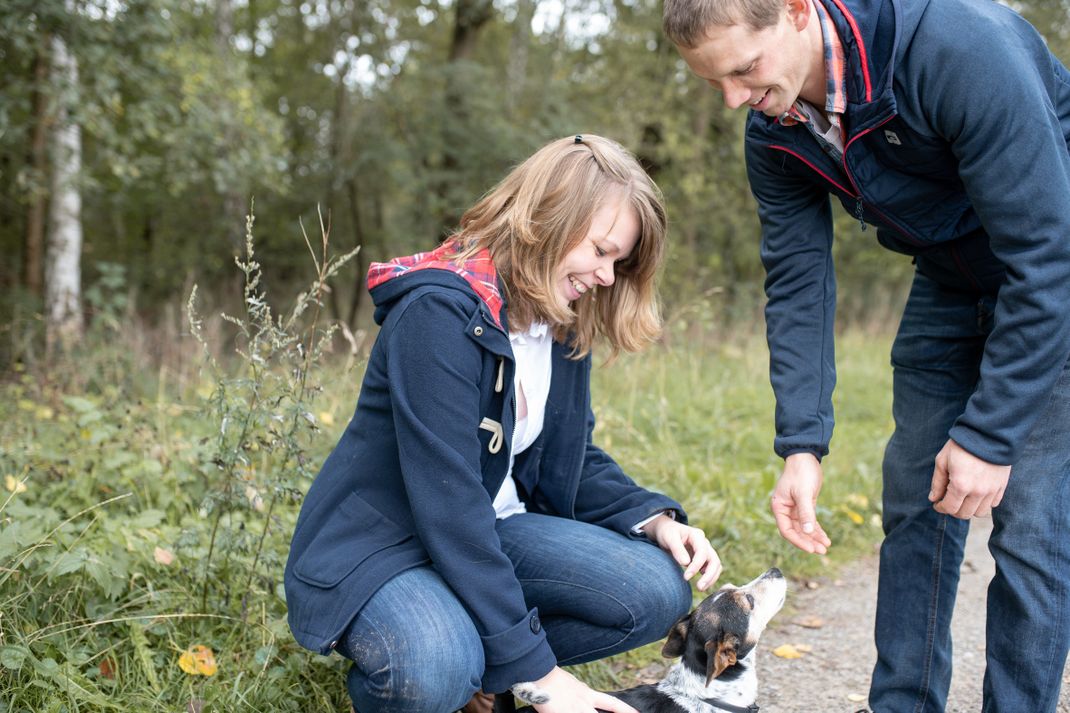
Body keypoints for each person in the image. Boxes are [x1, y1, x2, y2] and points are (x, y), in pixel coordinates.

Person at [662, 0, 1070, 711]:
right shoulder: (774, 128)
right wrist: (802, 446)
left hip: (1052, 276)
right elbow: (797, 283)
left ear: (794, 11)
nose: (734, 100)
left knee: (1031, 521)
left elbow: (1047, 256)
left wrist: (989, 433)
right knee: (916, 505)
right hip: (949, 280)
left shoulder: (958, 51)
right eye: (712, 83)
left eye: (743, 70)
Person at [283, 134, 723, 713]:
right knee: (436, 664)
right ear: (545, 219)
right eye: (600, 250)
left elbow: (572, 456)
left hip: (491, 532)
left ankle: (485, 664)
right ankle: (450, 667)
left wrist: (656, 520)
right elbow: (449, 506)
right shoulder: (438, 314)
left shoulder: (559, 324)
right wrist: (544, 676)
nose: (608, 276)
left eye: (618, 261)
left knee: (655, 589)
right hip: (388, 548)